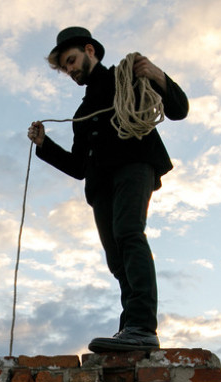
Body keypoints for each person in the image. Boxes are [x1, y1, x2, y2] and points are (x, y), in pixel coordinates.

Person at [28, 26, 189, 352]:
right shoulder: (81, 114)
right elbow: (77, 167)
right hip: (100, 185)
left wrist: (157, 75)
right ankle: (131, 326)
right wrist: (45, 145)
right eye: (64, 68)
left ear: (90, 50)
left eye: (71, 61)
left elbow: (179, 110)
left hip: (134, 165)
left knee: (129, 233)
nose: (70, 70)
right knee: (116, 257)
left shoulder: (127, 76)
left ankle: (143, 327)